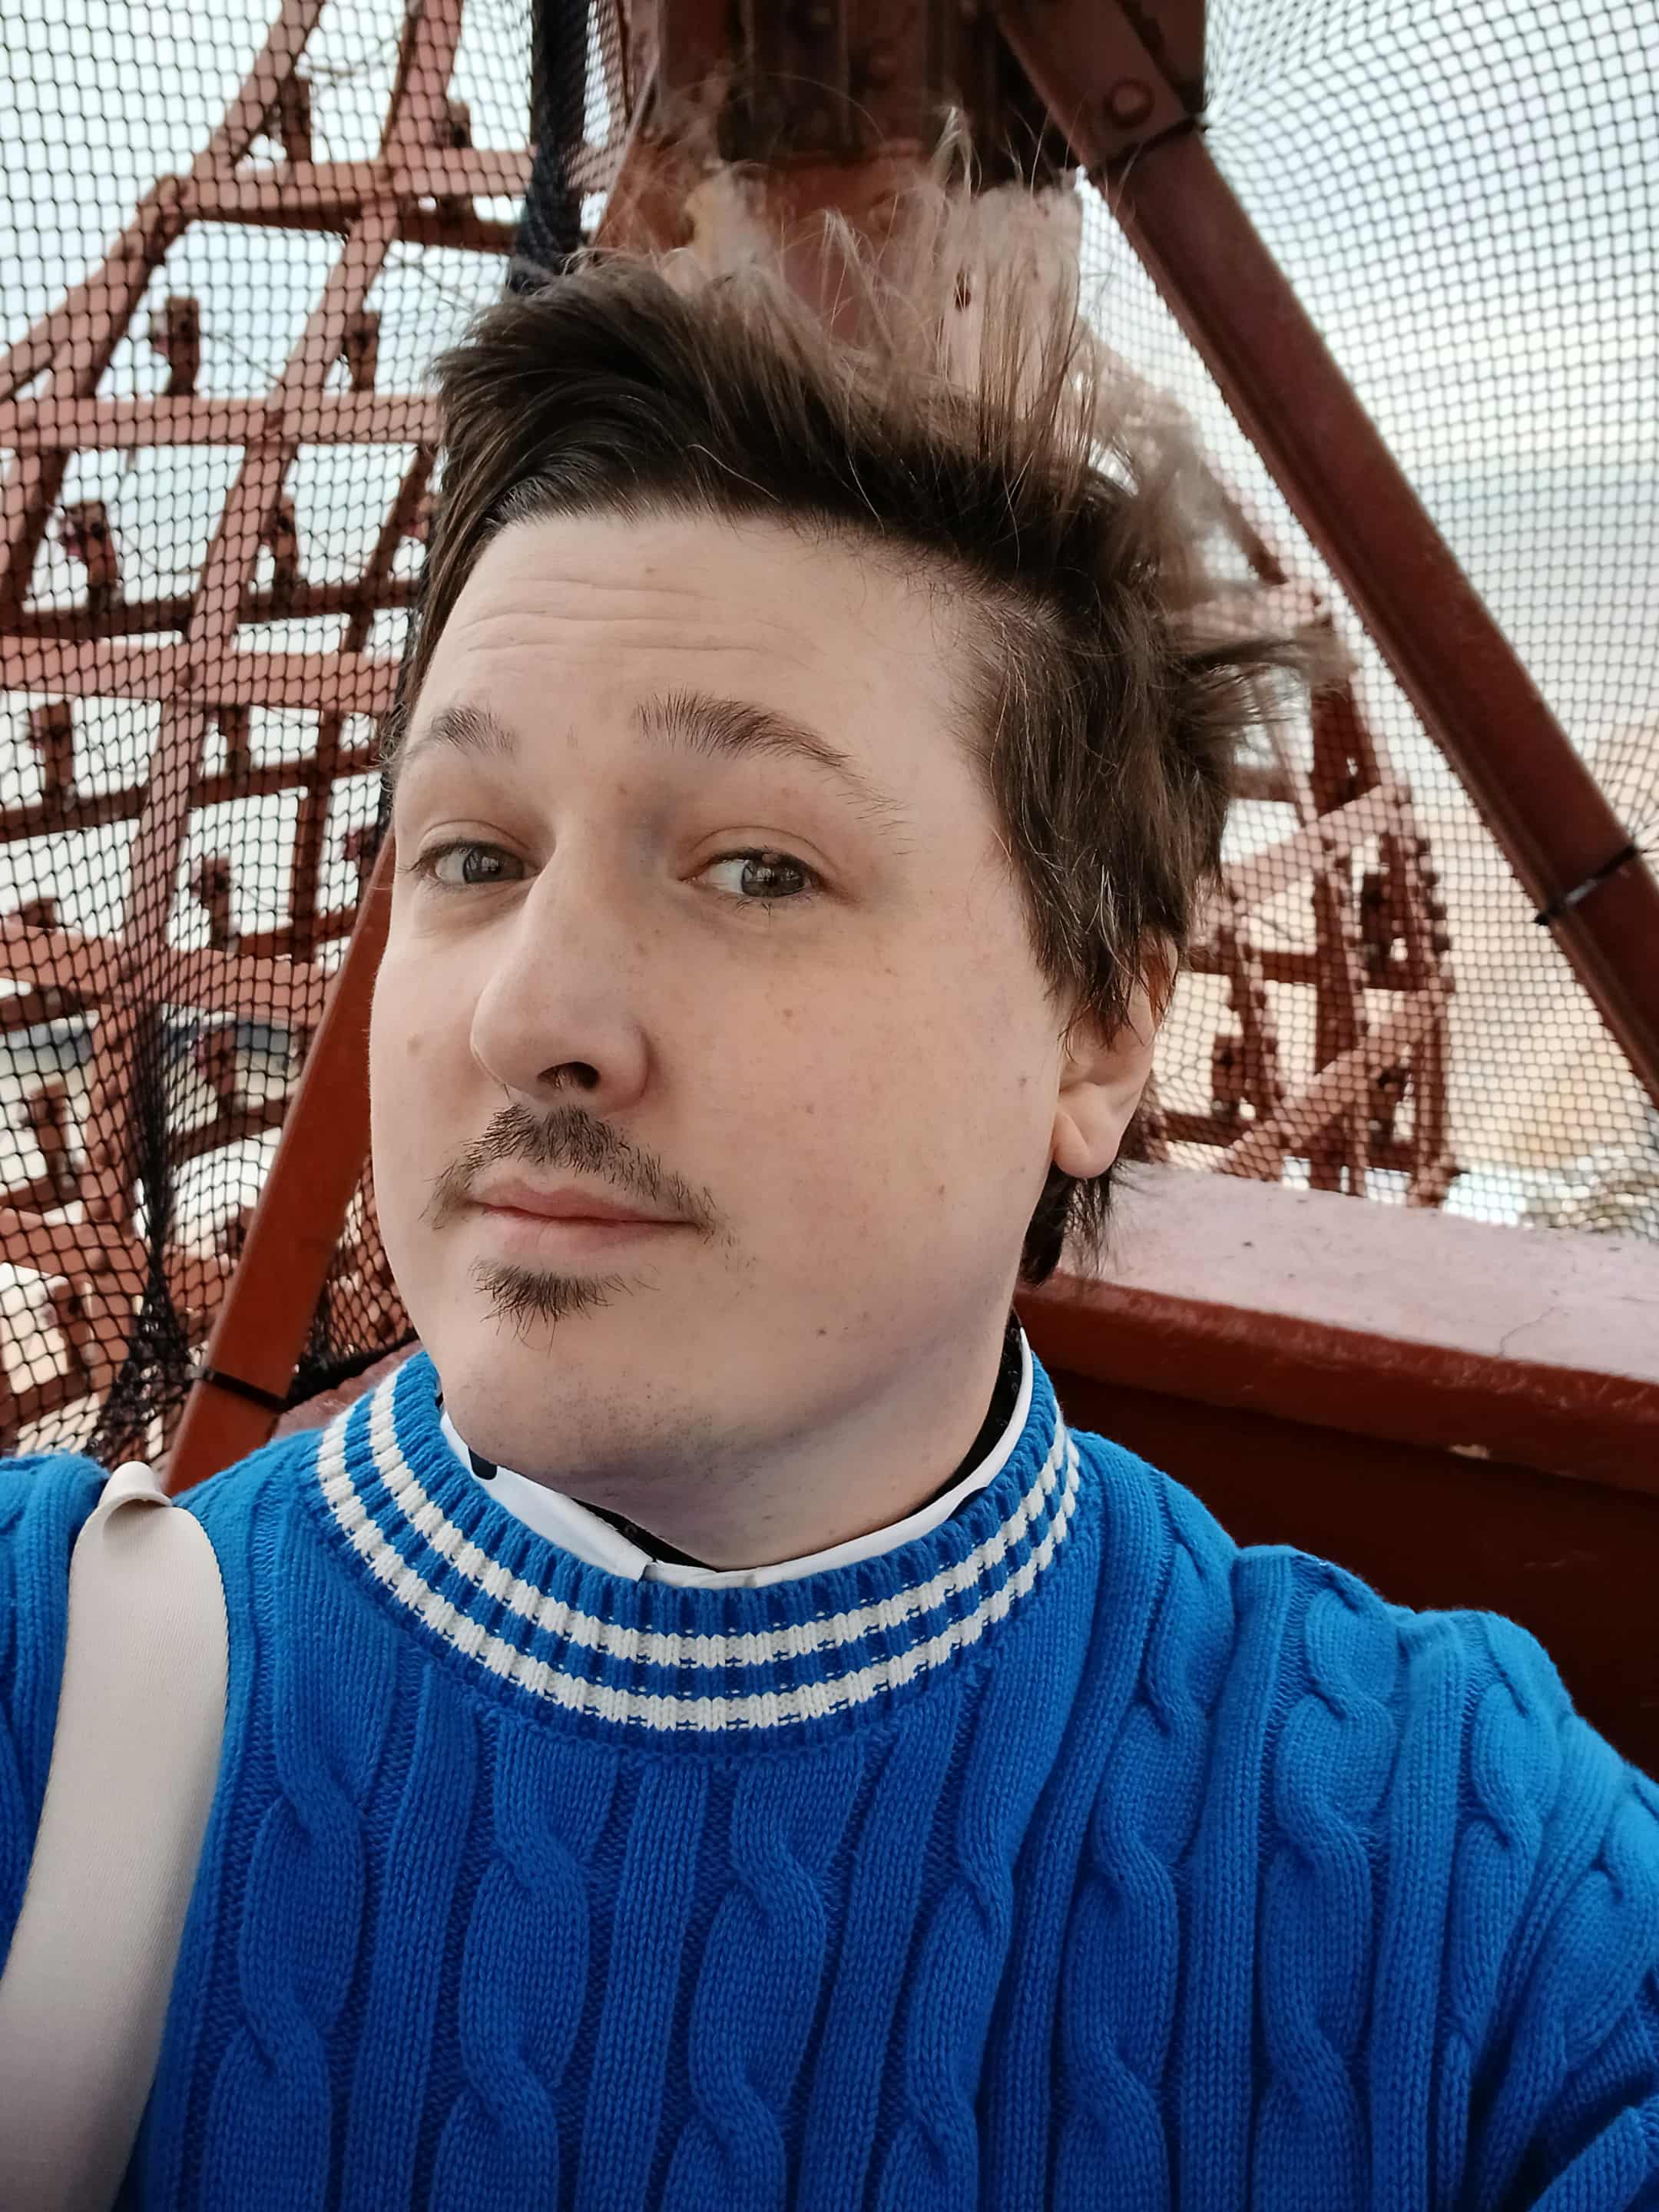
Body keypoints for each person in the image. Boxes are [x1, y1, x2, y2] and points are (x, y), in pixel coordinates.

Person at [3, 164, 1656, 2211]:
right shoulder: (51, 1704)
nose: (533, 1013)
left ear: (1099, 1029)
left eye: (758, 868)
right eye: (471, 853)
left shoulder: (1466, 1891)